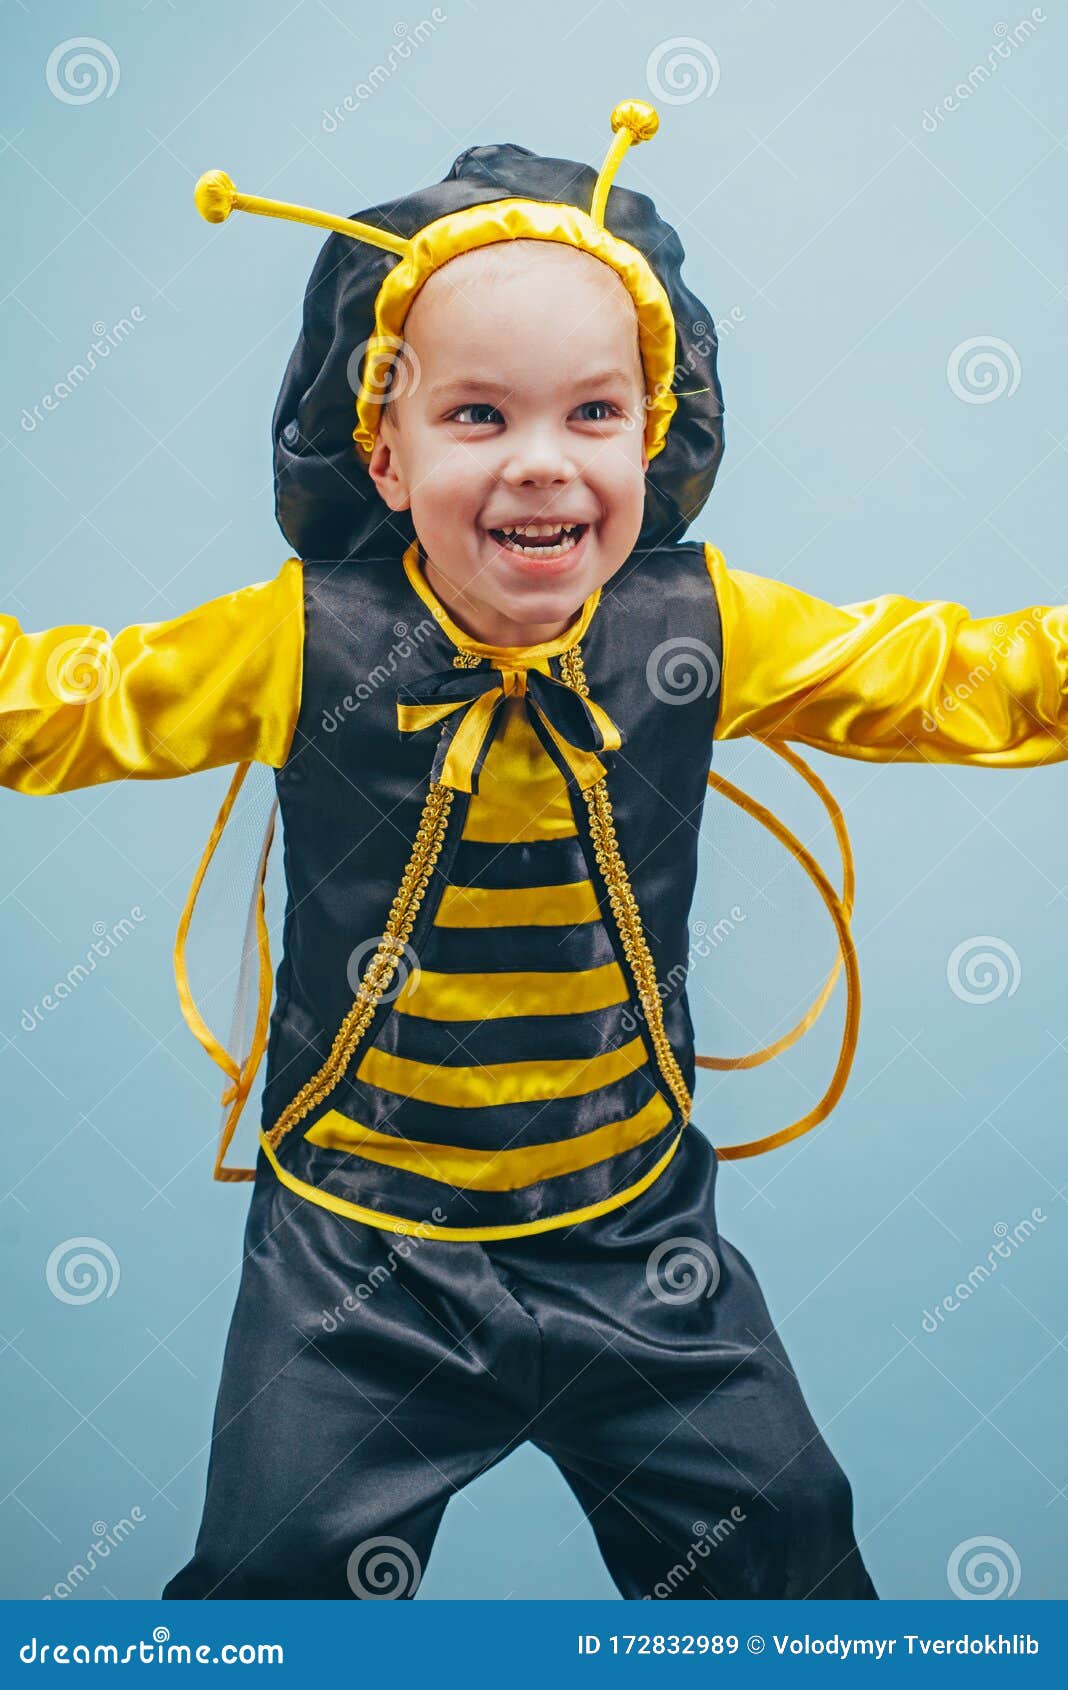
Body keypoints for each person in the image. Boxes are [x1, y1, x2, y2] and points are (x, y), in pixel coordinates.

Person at [2, 101, 1064, 1602]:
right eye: (479, 417)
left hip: (638, 1246)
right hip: (356, 1268)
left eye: (594, 415)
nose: (543, 466)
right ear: (383, 447)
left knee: (786, 1555)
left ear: (654, 428)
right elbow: (66, 706)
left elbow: (946, 673)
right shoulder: (304, 642)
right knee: (273, 1587)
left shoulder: (702, 627)